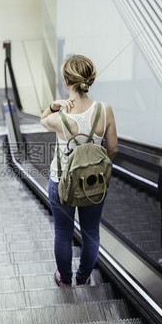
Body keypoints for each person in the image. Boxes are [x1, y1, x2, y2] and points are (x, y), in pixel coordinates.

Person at [40, 55, 118, 287]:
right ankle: (83, 278)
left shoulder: (59, 117)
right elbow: (113, 149)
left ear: (66, 81)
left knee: (63, 234)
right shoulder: (105, 110)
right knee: (91, 233)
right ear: (89, 79)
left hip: (62, 182)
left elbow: (42, 119)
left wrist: (54, 105)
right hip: (94, 183)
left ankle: (65, 279)